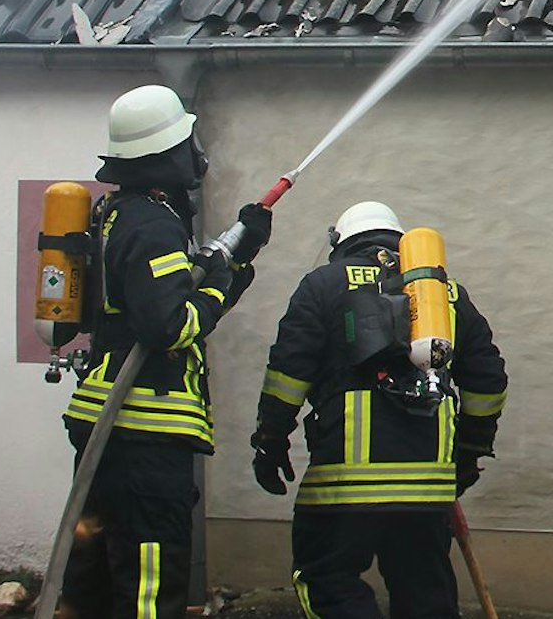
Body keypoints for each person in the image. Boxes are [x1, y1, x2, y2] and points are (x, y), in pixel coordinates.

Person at [58, 85, 271, 619]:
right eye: (186, 140)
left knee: (94, 577)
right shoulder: (151, 224)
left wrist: (236, 260)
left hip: (110, 427)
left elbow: (177, 292)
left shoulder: (119, 213)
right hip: (142, 436)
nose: (196, 152)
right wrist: (220, 283)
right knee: (149, 582)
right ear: (164, 156)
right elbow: (171, 324)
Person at [251, 201, 507, 619]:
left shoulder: (322, 285)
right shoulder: (443, 293)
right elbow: (488, 380)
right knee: (426, 593)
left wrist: (269, 441)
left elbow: (287, 374)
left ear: (343, 242)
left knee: (329, 582)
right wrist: (469, 451)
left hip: (343, 484)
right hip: (426, 489)